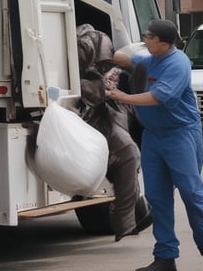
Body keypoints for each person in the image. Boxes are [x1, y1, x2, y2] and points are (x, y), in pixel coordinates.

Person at [108, 19, 203, 271]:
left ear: (162, 42)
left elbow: (159, 96)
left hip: (180, 135)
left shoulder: (178, 63)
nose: (145, 39)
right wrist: (105, 47)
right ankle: (165, 257)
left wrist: (122, 96)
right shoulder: (151, 59)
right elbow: (128, 59)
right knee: (157, 197)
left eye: (149, 37)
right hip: (153, 137)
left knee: (192, 194)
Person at [76, 24, 151, 242]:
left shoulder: (166, 63)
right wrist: (109, 92)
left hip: (105, 114)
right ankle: (128, 219)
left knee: (129, 153)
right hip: (96, 116)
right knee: (129, 153)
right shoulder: (94, 51)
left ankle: (129, 217)